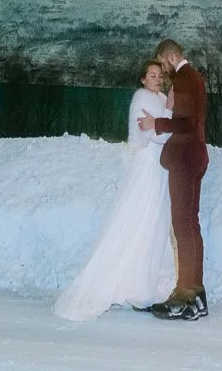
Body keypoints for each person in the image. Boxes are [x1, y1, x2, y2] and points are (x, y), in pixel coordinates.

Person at [53, 60, 176, 320]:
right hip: (148, 168)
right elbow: (158, 135)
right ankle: (138, 288)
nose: (157, 79)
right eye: (151, 75)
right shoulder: (141, 99)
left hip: (161, 168)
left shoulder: (161, 98)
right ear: (143, 79)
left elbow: (165, 127)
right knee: (143, 221)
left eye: (159, 75)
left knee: (157, 224)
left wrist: (166, 117)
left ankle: (150, 283)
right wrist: (166, 119)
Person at [138, 38, 208, 320]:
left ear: (168, 57)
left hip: (183, 159)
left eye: (162, 65)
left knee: (182, 226)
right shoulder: (196, 78)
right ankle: (197, 295)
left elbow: (186, 124)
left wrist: (158, 123)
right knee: (191, 226)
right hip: (196, 157)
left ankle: (184, 296)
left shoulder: (183, 79)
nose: (163, 74)